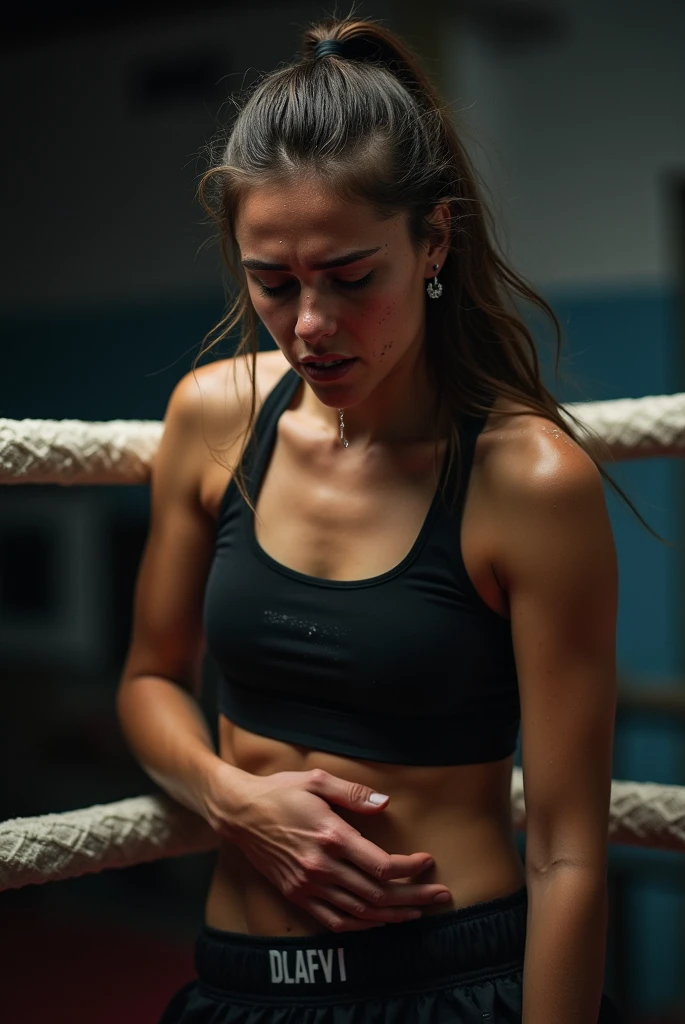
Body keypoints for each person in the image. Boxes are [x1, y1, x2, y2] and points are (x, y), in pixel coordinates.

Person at [116, 15, 634, 1023]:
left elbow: (569, 851)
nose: (310, 324)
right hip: (239, 988)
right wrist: (235, 800)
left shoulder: (528, 478)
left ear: (432, 239)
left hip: (452, 983)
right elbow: (146, 678)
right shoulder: (212, 417)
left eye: (351, 278)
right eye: (273, 283)